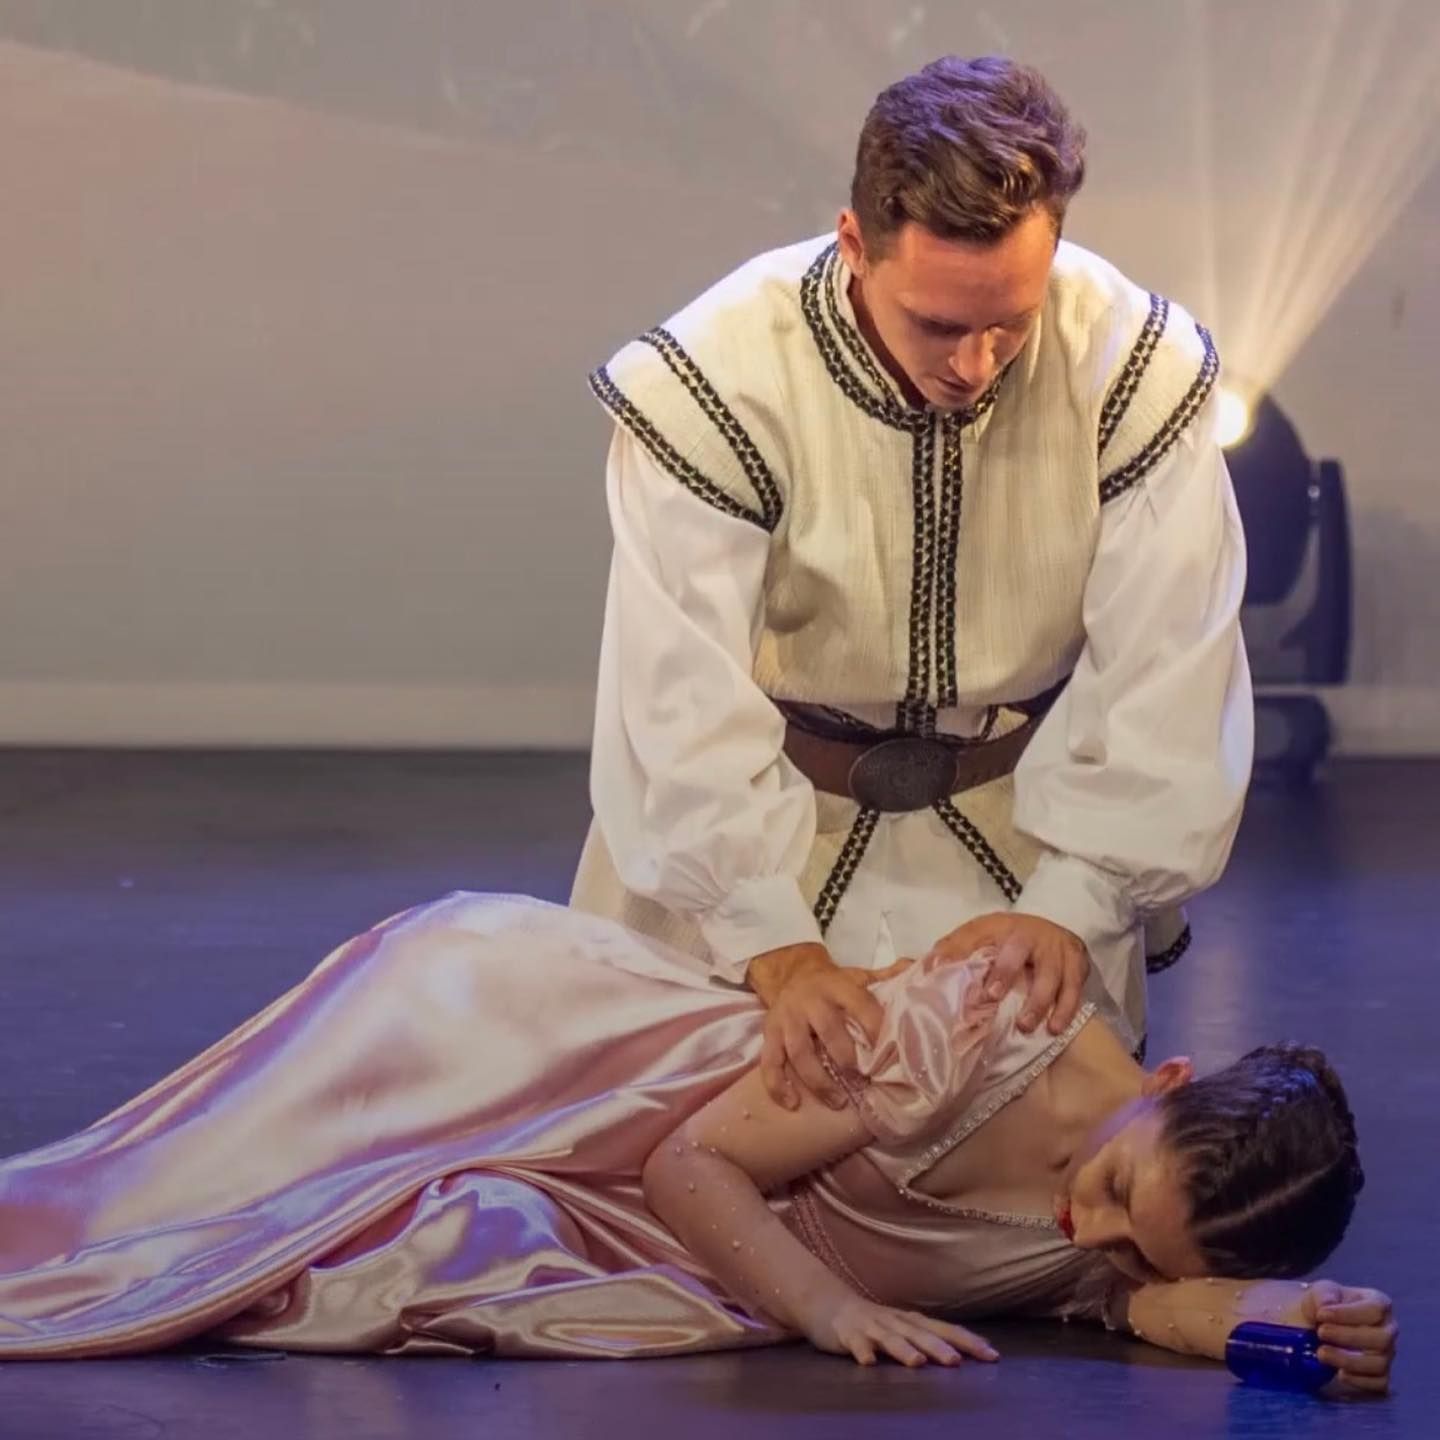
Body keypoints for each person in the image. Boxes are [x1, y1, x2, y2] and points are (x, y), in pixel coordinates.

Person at [570, 55, 1253, 1105]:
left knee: (1040, 1205)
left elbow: (1169, 666)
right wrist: (773, 942)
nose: (975, 363)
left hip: (1032, 856)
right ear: (855, 244)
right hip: (767, 856)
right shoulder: (713, 379)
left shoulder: (1135, 369)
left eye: (1009, 322)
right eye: (938, 323)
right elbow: (676, 698)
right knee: (715, 1187)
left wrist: (1072, 904)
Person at [0, 894, 1394, 1394]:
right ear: (1163, 1075)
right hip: (525, 1055)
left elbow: (1135, 1290)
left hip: (641, 1196)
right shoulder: (974, 1031)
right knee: (181, 1211)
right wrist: (831, 1307)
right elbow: (690, 1165)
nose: (1082, 1235)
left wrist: (1268, 1317)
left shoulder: (1131, 1236)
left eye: (1127, 1241)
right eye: (1108, 1189)